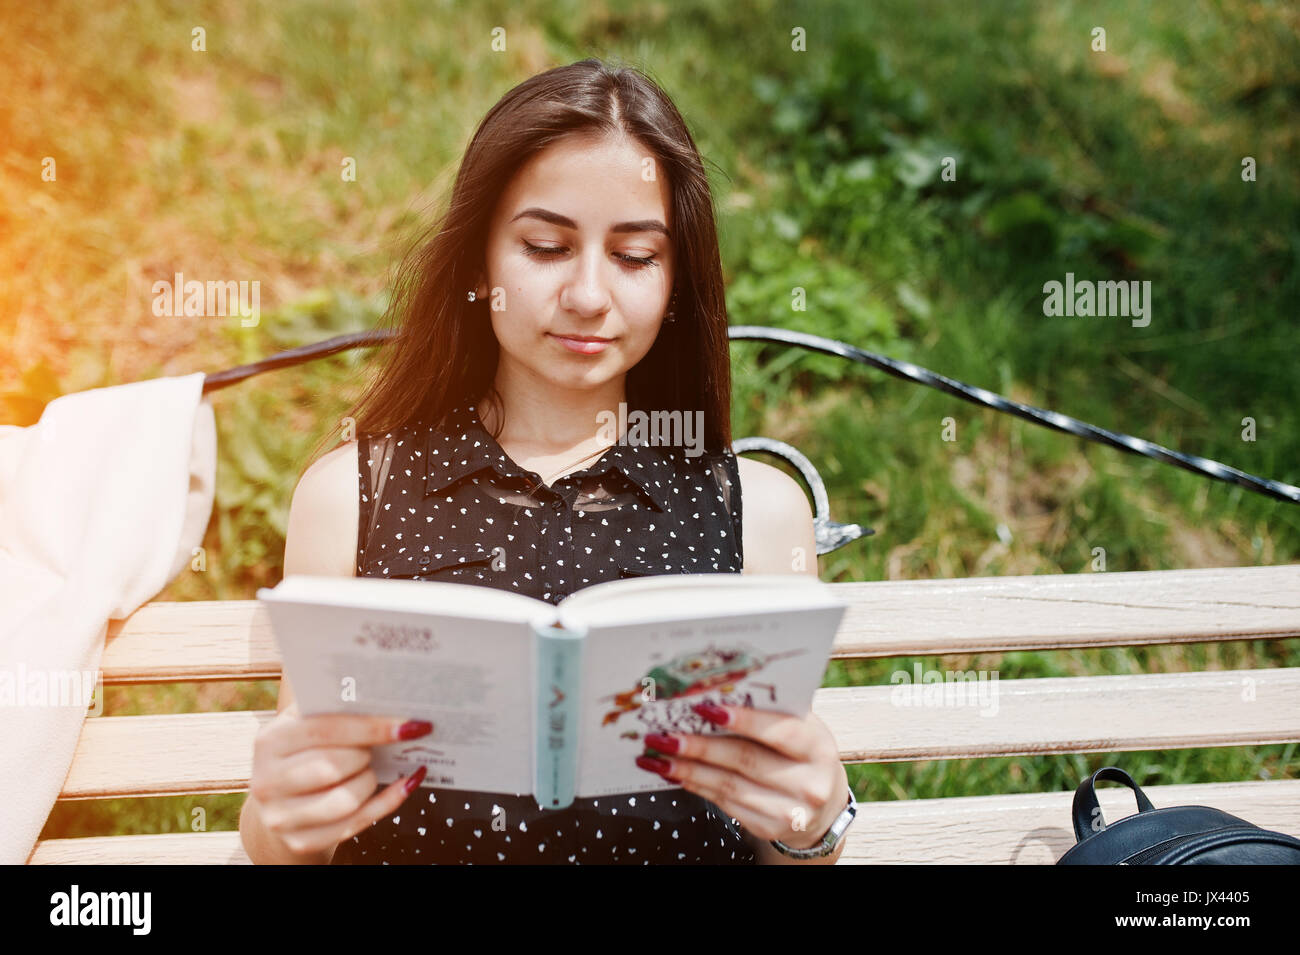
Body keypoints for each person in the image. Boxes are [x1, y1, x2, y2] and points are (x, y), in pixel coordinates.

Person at [238, 57, 851, 865]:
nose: (589, 295)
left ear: (676, 281)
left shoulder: (761, 513)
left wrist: (815, 822)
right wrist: (276, 821)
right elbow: (293, 844)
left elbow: (788, 850)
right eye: (545, 245)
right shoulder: (350, 498)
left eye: (635, 256)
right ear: (479, 260)